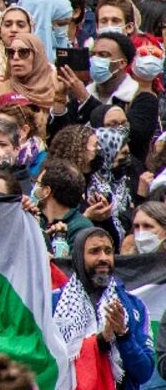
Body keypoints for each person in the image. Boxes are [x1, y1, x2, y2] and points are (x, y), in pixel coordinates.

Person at [52, 228, 153, 390]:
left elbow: (144, 372)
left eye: (108, 251)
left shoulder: (133, 305)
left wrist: (123, 334)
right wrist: (100, 340)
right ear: (78, 257)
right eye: (94, 252)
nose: (103, 258)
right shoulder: (55, 304)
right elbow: (49, 363)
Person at [34, 159, 93, 257]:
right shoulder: (35, 218)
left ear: (46, 191)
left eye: (38, 183)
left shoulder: (81, 229)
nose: (34, 188)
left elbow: (72, 268)